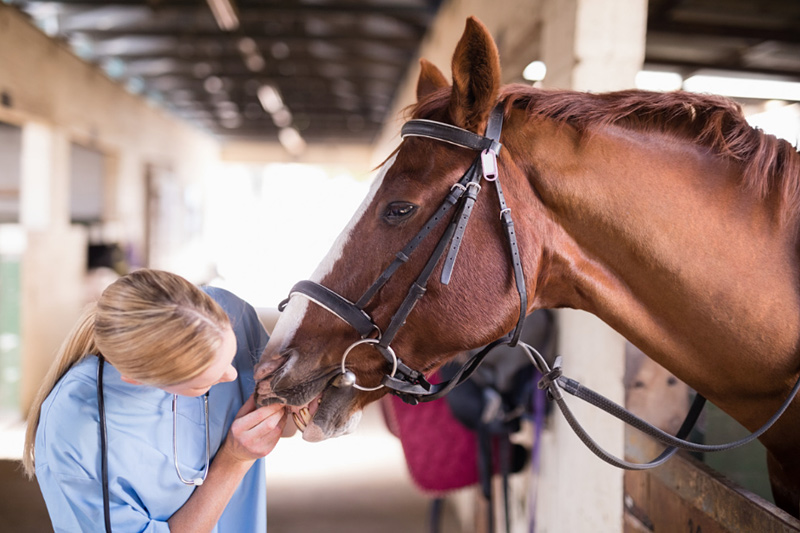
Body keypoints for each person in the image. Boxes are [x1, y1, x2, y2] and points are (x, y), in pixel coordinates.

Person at [21, 268, 287, 532]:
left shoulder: (229, 310)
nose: (232, 376)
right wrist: (233, 460)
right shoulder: (76, 432)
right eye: (203, 382)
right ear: (138, 379)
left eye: (233, 354)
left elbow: (290, 424)